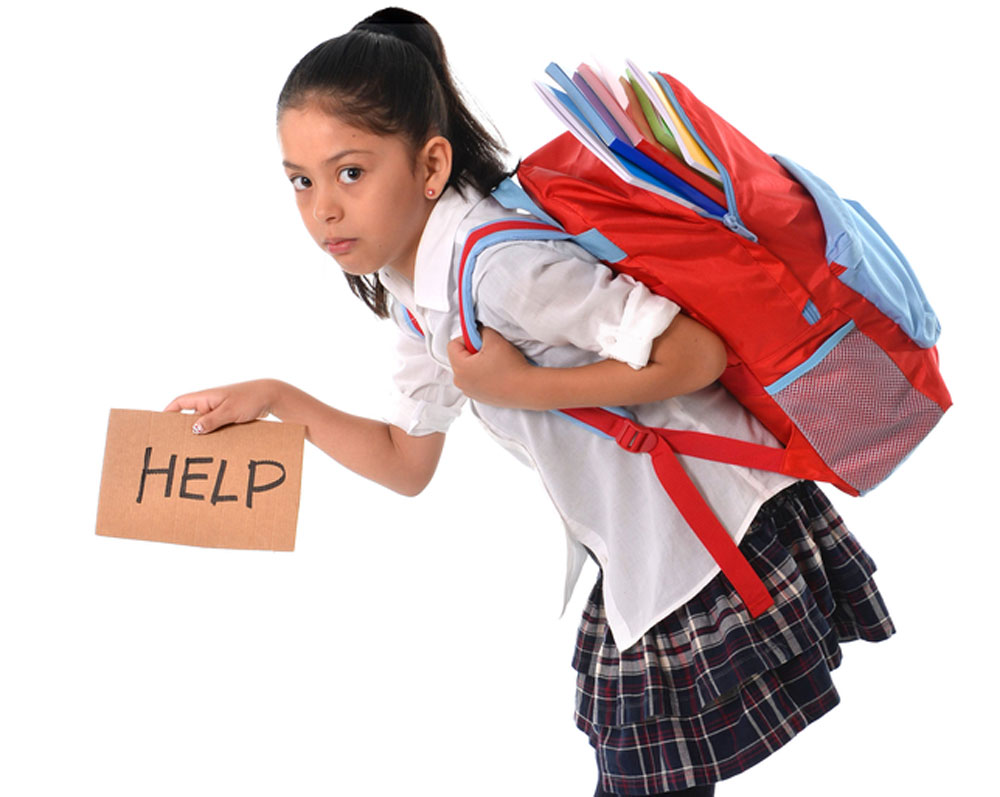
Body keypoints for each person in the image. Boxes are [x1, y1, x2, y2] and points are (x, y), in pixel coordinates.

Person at [166, 8, 895, 795]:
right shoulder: (416, 291)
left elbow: (695, 354)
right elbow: (408, 462)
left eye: (350, 172)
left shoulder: (499, 268)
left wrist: (522, 387)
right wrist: (280, 400)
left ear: (431, 164)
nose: (323, 210)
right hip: (646, 546)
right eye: (301, 182)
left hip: (714, 537)